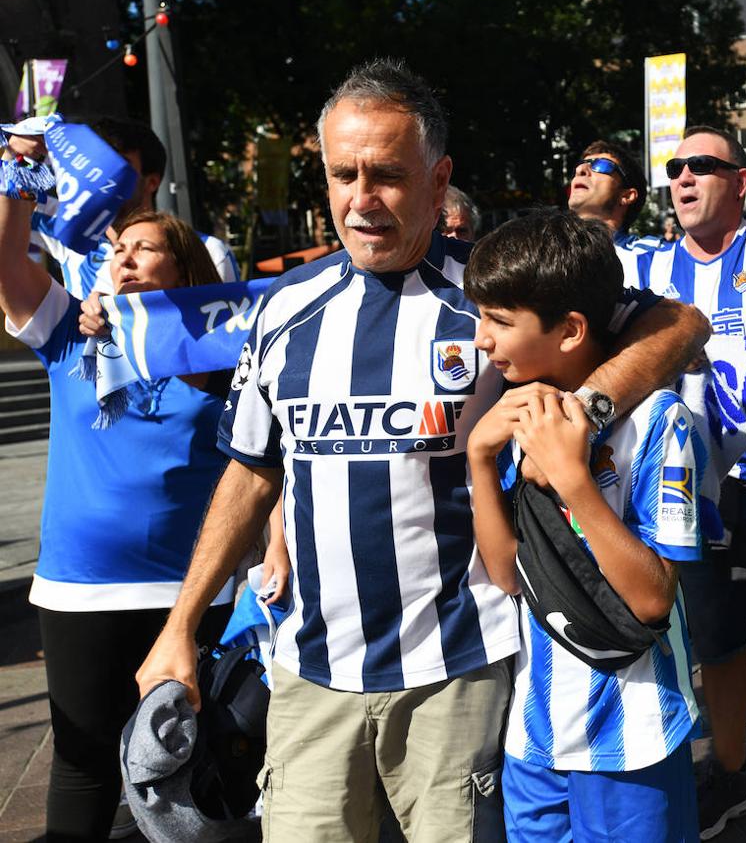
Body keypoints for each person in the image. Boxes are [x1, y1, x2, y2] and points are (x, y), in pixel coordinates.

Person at [134, 58, 711, 843]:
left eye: (387, 176)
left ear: (438, 184)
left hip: (457, 679)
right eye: (343, 175)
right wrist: (181, 624)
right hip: (310, 679)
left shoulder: (491, 300)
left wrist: (579, 413)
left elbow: (679, 323)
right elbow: (250, 472)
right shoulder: (283, 312)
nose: (361, 200)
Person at [0, 184, 234, 840]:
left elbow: (261, 463)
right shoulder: (70, 331)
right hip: (78, 594)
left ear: (183, 271)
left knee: (192, 764)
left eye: (144, 249)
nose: (124, 258)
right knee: (84, 766)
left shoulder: (224, 354)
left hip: (191, 592)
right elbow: (8, 265)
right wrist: (16, 179)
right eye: (118, 249)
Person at [465, 209, 704, 842]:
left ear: (571, 329)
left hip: (634, 735)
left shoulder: (658, 420)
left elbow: (654, 596)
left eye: (500, 322)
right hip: (535, 737)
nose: (482, 340)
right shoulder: (521, 406)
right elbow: (507, 577)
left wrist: (573, 479)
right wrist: (481, 462)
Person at [620, 125, 746, 837]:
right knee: (719, 646)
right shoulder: (654, 269)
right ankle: (733, 777)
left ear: (740, 180)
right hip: (697, 491)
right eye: (676, 168)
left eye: (704, 166)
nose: (684, 177)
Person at [29, 115, 240, 297]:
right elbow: (8, 204)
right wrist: (17, 154)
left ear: (152, 182)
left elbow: (227, 334)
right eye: (98, 166)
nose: (103, 177)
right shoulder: (75, 236)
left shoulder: (209, 252)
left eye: (118, 167)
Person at [567, 139, 655, 249]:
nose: (580, 170)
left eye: (601, 165)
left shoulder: (654, 257)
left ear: (627, 196)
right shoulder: (544, 252)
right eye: (580, 164)